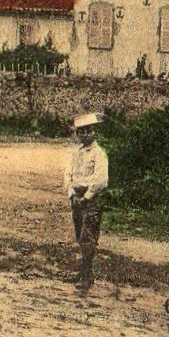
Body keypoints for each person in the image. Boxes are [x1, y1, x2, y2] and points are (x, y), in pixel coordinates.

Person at [65, 111, 109, 293]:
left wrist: (86, 197)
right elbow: (68, 173)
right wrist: (71, 194)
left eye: (87, 131)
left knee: (88, 237)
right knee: (79, 235)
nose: (83, 135)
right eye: (79, 132)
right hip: (76, 199)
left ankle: (87, 276)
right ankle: (83, 270)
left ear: (93, 131)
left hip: (90, 200)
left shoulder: (99, 154)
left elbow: (101, 180)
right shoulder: (77, 153)